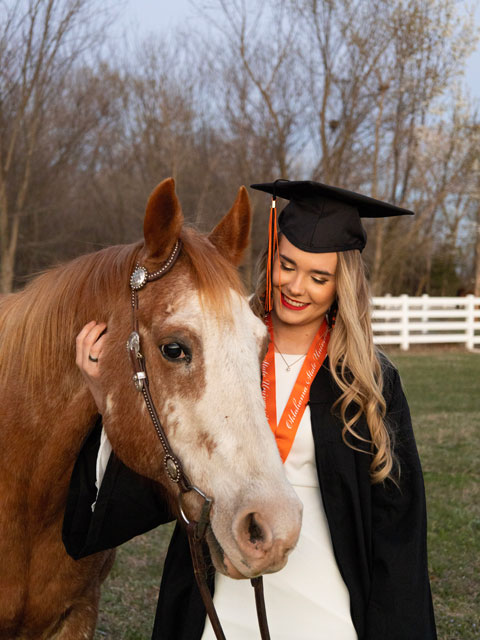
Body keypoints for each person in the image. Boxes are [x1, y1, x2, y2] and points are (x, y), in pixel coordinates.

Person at [63, 180, 437, 639]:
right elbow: (162, 463)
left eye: (319, 278)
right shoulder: (221, 349)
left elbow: (396, 524)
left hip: (326, 589)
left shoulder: (367, 381)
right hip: (225, 579)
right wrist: (106, 396)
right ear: (271, 259)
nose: (297, 287)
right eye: (287, 265)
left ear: (342, 286)